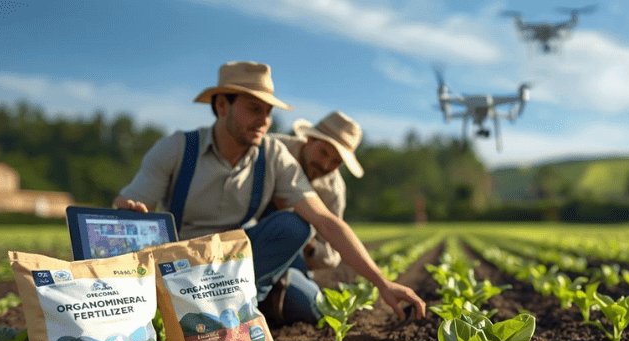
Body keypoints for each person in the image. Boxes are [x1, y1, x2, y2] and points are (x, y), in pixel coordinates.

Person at [112, 61, 425, 325]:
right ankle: (234, 307)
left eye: (268, 112)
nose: (263, 121)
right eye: (253, 109)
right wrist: (128, 209)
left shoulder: (273, 155)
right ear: (222, 106)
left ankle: (239, 304)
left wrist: (382, 283)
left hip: (236, 265)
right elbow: (130, 207)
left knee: (303, 263)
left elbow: (327, 223)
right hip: (180, 267)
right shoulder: (176, 148)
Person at [267, 110, 365, 322]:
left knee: (311, 307)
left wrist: (309, 246)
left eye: (336, 162)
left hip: (291, 261)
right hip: (250, 244)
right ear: (309, 139)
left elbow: (331, 254)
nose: (326, 166)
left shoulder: (334, 189)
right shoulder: (274, 149)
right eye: (323, 153)